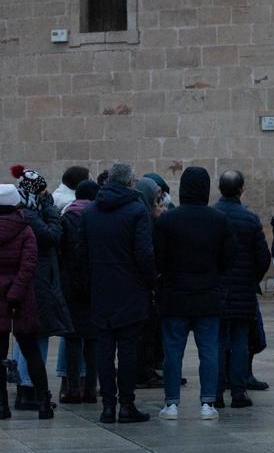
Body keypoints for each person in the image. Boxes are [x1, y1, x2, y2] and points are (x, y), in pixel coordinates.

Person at [155, 166, 235, 421]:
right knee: (209, 350)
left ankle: (171, 403)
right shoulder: (218, 219)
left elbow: (158, 257)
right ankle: (208, 403)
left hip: (175, 293)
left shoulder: (168, 219)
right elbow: (229, 258)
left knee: (173, 350)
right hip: (208, 294)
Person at [0, 184, 52, 420]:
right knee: (31, 350)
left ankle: (2, 406)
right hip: (21, 297)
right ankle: (43, 403)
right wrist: (13, 291)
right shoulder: (25, 231)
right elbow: (28, 267)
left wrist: (0, 286)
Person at [82, 164, 155, 423]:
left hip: (101, 288)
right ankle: (126, 404)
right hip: (129, 288)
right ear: (129, 183)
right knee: (127, 349)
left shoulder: (90, 212)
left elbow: (82, 254)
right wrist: (150, 281)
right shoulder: (137, 210)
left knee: (104, 348)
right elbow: (144, 253)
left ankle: (108, 406)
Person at [9, 165, 74, 410]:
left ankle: (26, 387)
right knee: (38, 334)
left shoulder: (25, 210)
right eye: (43, 191)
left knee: (29, 335)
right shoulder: (30, 214)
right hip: (38, 282)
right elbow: (52, 236)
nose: (47, 195)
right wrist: (51, 209)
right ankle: (30, 387)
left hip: (39, 279)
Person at [213, 170, 272, 408]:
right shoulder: (249, 218)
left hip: (216, 291)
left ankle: (215, 391)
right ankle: (238, 391)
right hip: (242, 291)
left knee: (216, 341)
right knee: (239, 341)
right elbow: (263, 257)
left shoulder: (212, 216)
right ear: (241, 189)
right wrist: (251, 279)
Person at [59, 179, 100, 405]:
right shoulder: (97, 218)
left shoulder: (66, 218)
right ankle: (91, 389)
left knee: (73, 340)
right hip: (94, 285)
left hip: (70, 287)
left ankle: (73, 388)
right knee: (93, 341)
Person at [51, 166, 90, 403]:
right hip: (76, 279)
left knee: (71, 333)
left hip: (66, 278)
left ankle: (71, 379)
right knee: (76, 334)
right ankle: (75, 379)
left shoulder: (60, 200)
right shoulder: (70, 205)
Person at [133, 177, 166, 390]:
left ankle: (147, 369)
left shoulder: (145, 216)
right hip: (143, 284)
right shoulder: (142, 218)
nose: (159, 204)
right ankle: (142, 372)